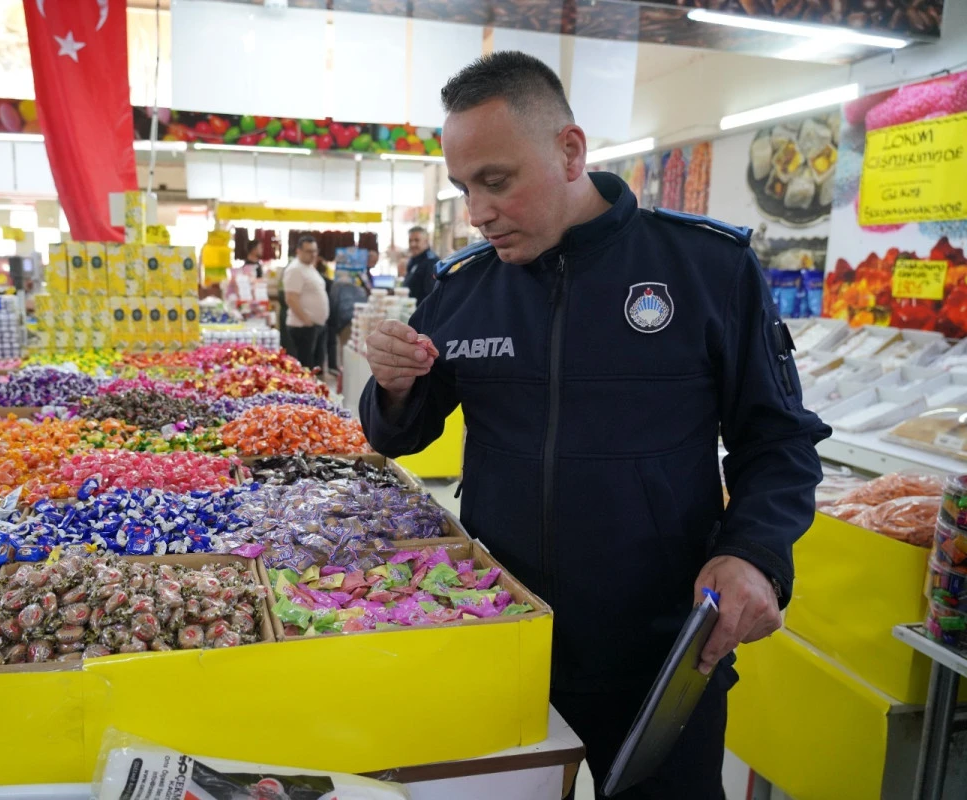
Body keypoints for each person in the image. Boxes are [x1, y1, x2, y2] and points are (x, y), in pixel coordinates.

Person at [358, 52, 830, 799]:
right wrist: (391, 388)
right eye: (463, 187)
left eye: (497, 181)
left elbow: (778, 440)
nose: (477, 212)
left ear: (570, 151)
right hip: (499, 642)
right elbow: (401, 436)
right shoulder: (465, 289)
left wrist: (757, 553)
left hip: (659, 652)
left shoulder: (705, 270)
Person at [281, 235, 329, 370]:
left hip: (313, 326)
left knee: (315, 366)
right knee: (306, 367)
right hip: (303, 327)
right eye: (308, 251)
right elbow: (290, 298)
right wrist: (307, 320)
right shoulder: (295, 269)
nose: (313, 254)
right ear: (298, 251)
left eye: (315, 251)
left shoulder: (309, 267)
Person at [402, 226, 438, 304]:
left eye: (417, 240)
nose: (412, 244)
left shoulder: (431, 262)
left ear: (426, 241)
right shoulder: (414, 259)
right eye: (410, 241)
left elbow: (431, 294)